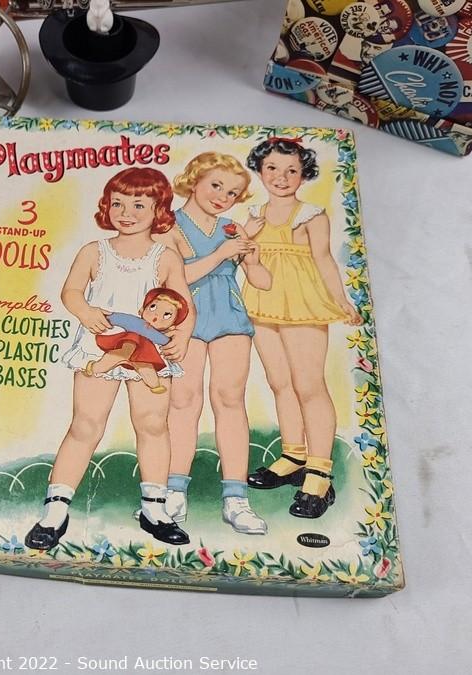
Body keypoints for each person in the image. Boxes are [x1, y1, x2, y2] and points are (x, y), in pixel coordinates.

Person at [24, 167, 195, 551]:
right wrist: (85, 311)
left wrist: (182, 335)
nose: (126, 213)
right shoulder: (94, 251)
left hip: (149, 348)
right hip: (101, 343)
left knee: (153, 423)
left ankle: (154, 508)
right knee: (85, 424)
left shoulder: (165, 257)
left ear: (158, 209)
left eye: (139, 205)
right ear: (106, 206)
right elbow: (71, 291)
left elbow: (184, 302)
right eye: (118, 204)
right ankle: (56, 509)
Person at [241, 137, 362, 519]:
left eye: (291, 170)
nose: (281, 177)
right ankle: (294, 456)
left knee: (309, 385)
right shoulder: (254, 213)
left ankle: (320, 473)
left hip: (302, 302)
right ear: (260, 171)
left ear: (304, 174)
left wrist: (342, 301)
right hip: (262, 301)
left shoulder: (311, 215)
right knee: (280, 382)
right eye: (272, 168)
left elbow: (325, 260)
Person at [155, 152, 272, 535]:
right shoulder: (168, 224)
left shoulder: (232, 228)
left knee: (230, 399)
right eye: (216, 185)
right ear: (194, 180)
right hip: (184, 317)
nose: (223, 196)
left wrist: (252, 258)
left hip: (228, 317)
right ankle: (174, 492)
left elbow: (263, 282)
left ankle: (236, 499)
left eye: (232, 192)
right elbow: (172, 278)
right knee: (183, 400)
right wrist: (222, 254)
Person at [86, 287, 189, 394]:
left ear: (171, 326)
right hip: (126, 343)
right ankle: (95, 367)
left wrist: (171, 341)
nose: (156, 315)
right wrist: (107, 318)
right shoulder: (134, 321)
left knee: (145, 364)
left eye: (166, 315)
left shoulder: (156, 334)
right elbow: (119, 318)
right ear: (142, 310)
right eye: (153, 307)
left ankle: (154, 385)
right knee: (126, 347)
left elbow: (164, 341)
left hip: (143, 351)